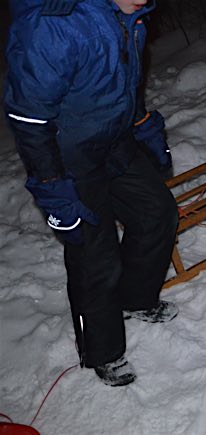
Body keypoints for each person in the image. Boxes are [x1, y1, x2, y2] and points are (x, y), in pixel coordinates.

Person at [4, 0, 179, 387]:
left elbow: (125, 83)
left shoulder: (131, 16)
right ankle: (102, 352)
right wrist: (52, 187)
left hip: (114, 145)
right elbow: (28, 117)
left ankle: (136, 298)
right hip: (69, 161)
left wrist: (142, 123)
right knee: (95, 257)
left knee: (157, 213)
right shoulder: (55, 27)